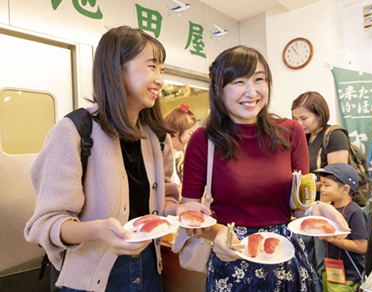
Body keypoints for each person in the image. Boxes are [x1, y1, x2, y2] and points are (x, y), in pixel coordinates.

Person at [178, 45, 350, 291]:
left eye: (259, 79)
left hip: (285, 256)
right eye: (239, 81)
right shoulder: (204, 139)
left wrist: (318, 210)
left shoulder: (291, 131)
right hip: (232, 256)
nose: (252, 91)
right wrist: (217, 233)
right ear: (218, 89)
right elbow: (190, 216)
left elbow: (300, 206)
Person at [24, 26, 182, 292]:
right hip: (91, 280)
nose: (160, 79)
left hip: (149, 271)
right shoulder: (74, 131)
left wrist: (182, 212)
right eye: (152, 66)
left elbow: (164, 198)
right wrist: (98, 230)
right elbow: (46, 224)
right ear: (116, 69)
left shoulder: (156, 137)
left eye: (162, 69)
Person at [292, 91, 350, 291]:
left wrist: (303, 186)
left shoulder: (335, 136)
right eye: (295, 119)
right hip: (306, 207)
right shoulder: (304, 138)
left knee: (323, 262)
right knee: (305, 260)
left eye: (304, 118)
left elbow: (336, 179)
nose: (299, 123)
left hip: (326, 209)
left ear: (320, 114)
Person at [316, 163, 368, 291]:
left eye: (326, 185)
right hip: (329, 271)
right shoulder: (329, 209)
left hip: (348, 277)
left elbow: (361, 247)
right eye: (321, 184)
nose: (322, 189)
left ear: (345, 189)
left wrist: (332, 239)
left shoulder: (355, 213)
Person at [164, 104, 196, 187]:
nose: (190, 138)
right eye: (190, 133)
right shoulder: (163, 155)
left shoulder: (170, 153)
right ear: (176, 131)